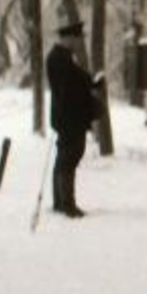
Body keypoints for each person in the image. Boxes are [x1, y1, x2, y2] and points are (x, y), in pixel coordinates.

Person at [46, 20, 103, 218]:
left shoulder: (63, 58)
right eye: (78, 39)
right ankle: (67, 205)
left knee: (65, 160)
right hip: (70, 119)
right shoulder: (60, 59)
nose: (80, 43)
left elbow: (77, 80)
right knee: (69, 159)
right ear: (69, 38)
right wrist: (90, 86)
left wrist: (91, 83)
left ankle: (61, 202)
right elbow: (71, 89)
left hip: (68, 119)